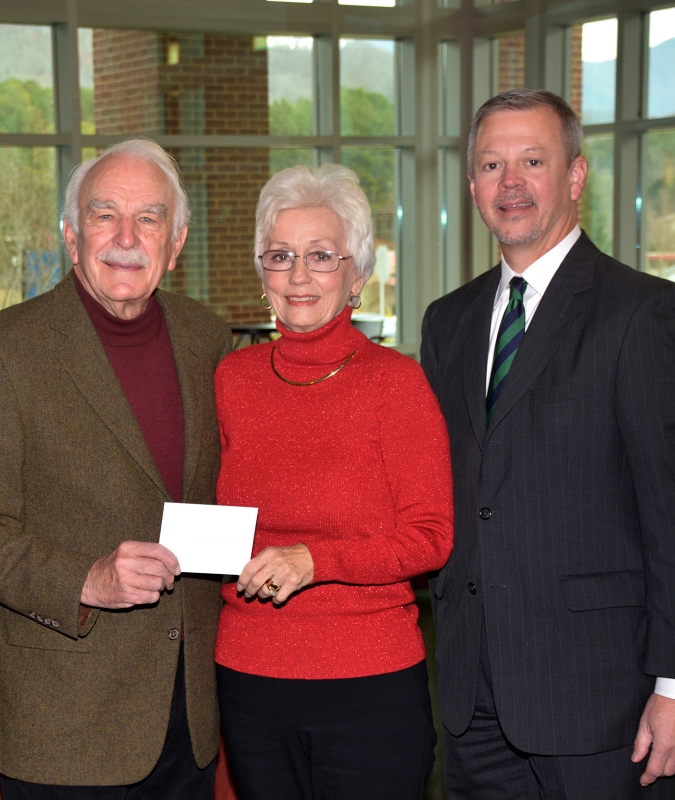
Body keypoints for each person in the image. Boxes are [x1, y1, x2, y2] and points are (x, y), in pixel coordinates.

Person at [420, 88, 675, 800]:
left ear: (576, 176)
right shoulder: (448, 321)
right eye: (492, 165)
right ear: (472, 187)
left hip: (601, 702)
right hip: (473, 702)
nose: (510, 182)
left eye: (532, 160)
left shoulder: (644, 313)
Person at [0, 138, 233, 798]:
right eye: (104, 215)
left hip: (187, 714)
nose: (127, 237)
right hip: (64, 726)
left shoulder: (208, 340)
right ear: (71, 237)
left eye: (150, 218)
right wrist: (87, 579)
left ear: (178, 238)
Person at [212, 164, 455, 800]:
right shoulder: (230, 381)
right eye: (281, 255)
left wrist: (316, 560)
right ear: (261, 271)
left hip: (368, 683)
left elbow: (431, 538)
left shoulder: (396, 385)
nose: (298, 275)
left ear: (357, 274)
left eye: (321, 256)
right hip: (248, 677)